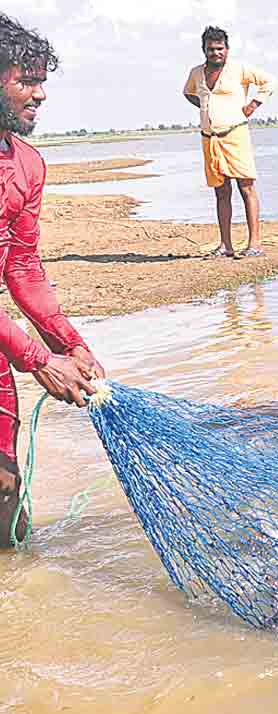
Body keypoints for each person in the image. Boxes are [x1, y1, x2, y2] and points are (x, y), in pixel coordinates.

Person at [0, 13, 107, 547]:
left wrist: (71, 344)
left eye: (41, 82)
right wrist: (39, 360)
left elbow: (22, 268)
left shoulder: (27, 164)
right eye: (26, 81)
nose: (39, 94)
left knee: (5, 488)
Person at [182, 26, 276, 258]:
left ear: (227, 49)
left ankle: (254, 244)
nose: (215, 53)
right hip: (210, 139)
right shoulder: (196, 73)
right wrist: (207, 108)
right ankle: (226, 245)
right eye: (211, 49)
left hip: (235, 135)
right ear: (204, 50)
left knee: (246, 187)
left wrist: (253, 105)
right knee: (221, 191)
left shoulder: (239, 69)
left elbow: (269, 82)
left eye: (219, 48)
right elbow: (188, 93)